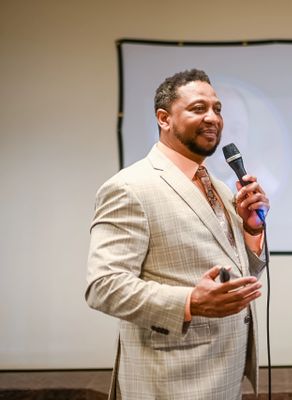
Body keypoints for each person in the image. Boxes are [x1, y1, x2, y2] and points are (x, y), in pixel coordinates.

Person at [85, 69, 269, 399]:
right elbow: (104, 286)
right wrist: (189, 302)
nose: (213, 118)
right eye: (199, 109)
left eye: (218, 108)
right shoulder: (130, 188)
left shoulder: (220, 187)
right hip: (171, 382)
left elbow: (237, 274)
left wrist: (252, 229)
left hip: (223, 376)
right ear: (164, 118)